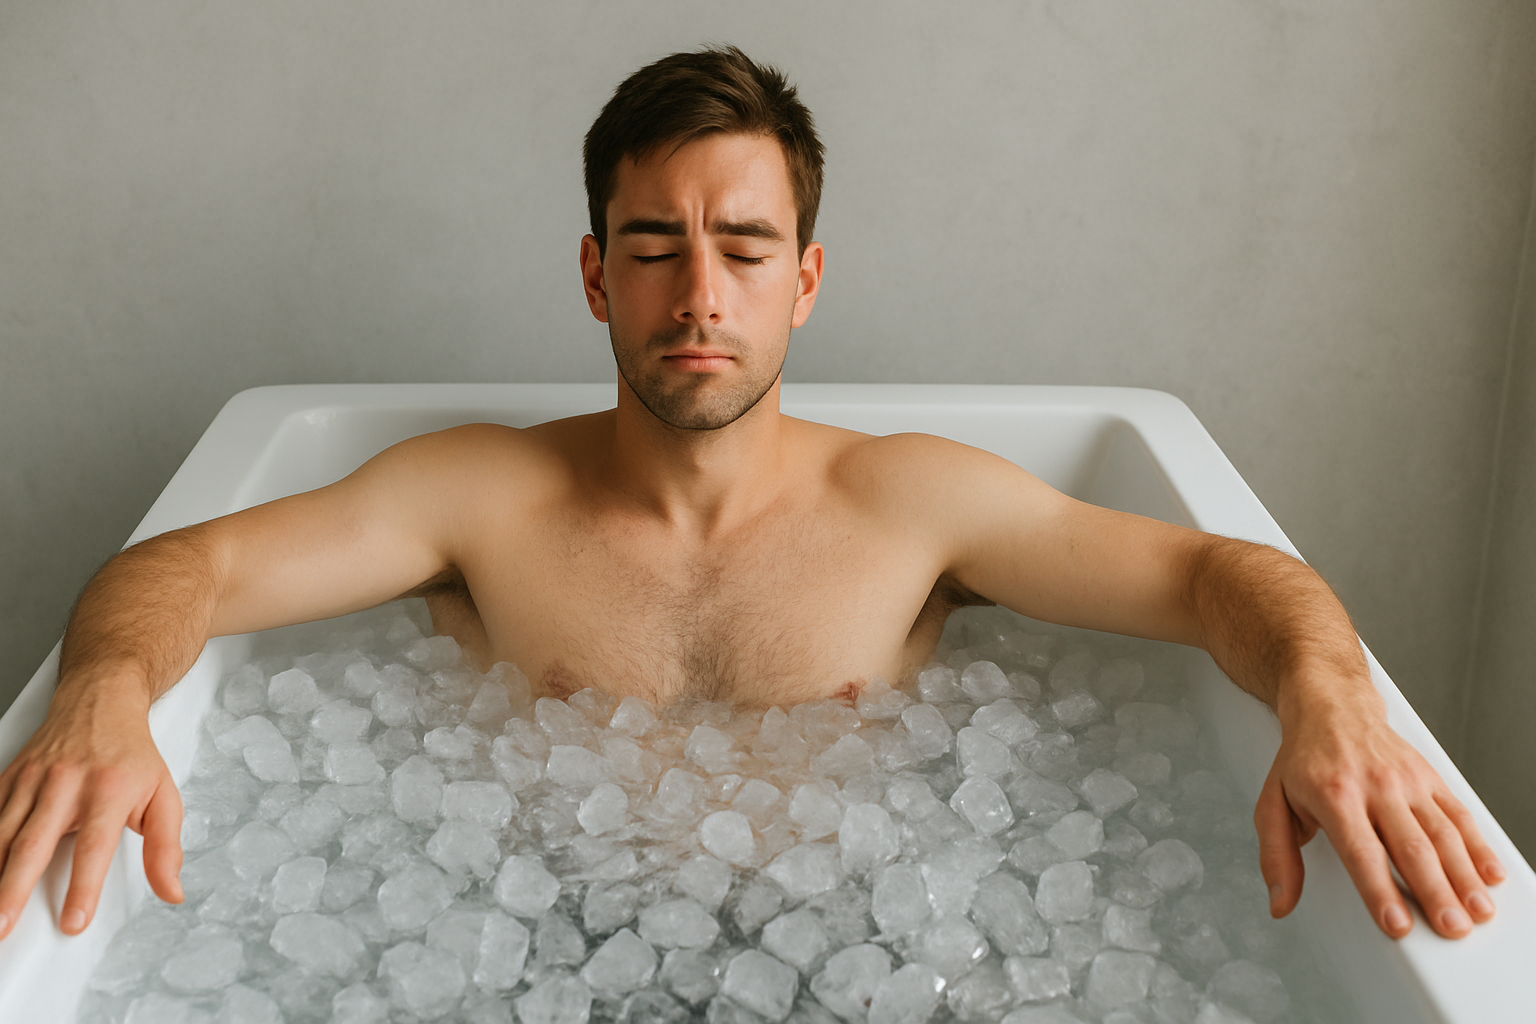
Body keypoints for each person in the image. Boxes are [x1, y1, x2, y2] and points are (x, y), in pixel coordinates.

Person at [0, 45, 1503, 949]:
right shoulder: (479, 494)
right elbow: (186, 566)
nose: (697, 293)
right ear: (595, 274)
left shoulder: (913, 506)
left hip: (866, 948)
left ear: (806, 279)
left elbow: (1213, 578)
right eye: (652, 245)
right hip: (520, 947)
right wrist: (106, 692)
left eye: (743, 245)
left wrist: (1326, 696)